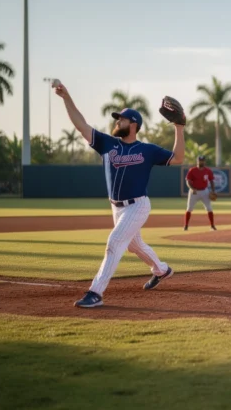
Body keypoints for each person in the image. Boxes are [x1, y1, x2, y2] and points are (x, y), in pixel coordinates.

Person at [54, 82, 185, 308]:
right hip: (117, 208)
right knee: (134, 245)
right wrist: (66, 97)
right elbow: (81, 125)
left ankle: (95, 292)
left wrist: (179, 128)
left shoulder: (148, 150)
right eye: (118, 119)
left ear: (133, 124)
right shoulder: (107, 144)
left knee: (115, 241)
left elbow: (178, 158)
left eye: (121, 119)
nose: (117, 121)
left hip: (138, 205)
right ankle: (162, 270)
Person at [184, 155, 217, 231]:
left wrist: (213, 190)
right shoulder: (192, 170)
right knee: (189, 208)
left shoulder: (208, 170)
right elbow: (188, 181)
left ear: (204, 161)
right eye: (199, 160)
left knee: (209, 208)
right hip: (194, 192)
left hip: (204, 191)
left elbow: (211, 181)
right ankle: (186, 226)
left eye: (202, 160)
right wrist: (192, 188)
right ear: (197, 161)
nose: (201, 162)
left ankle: (212, 226)